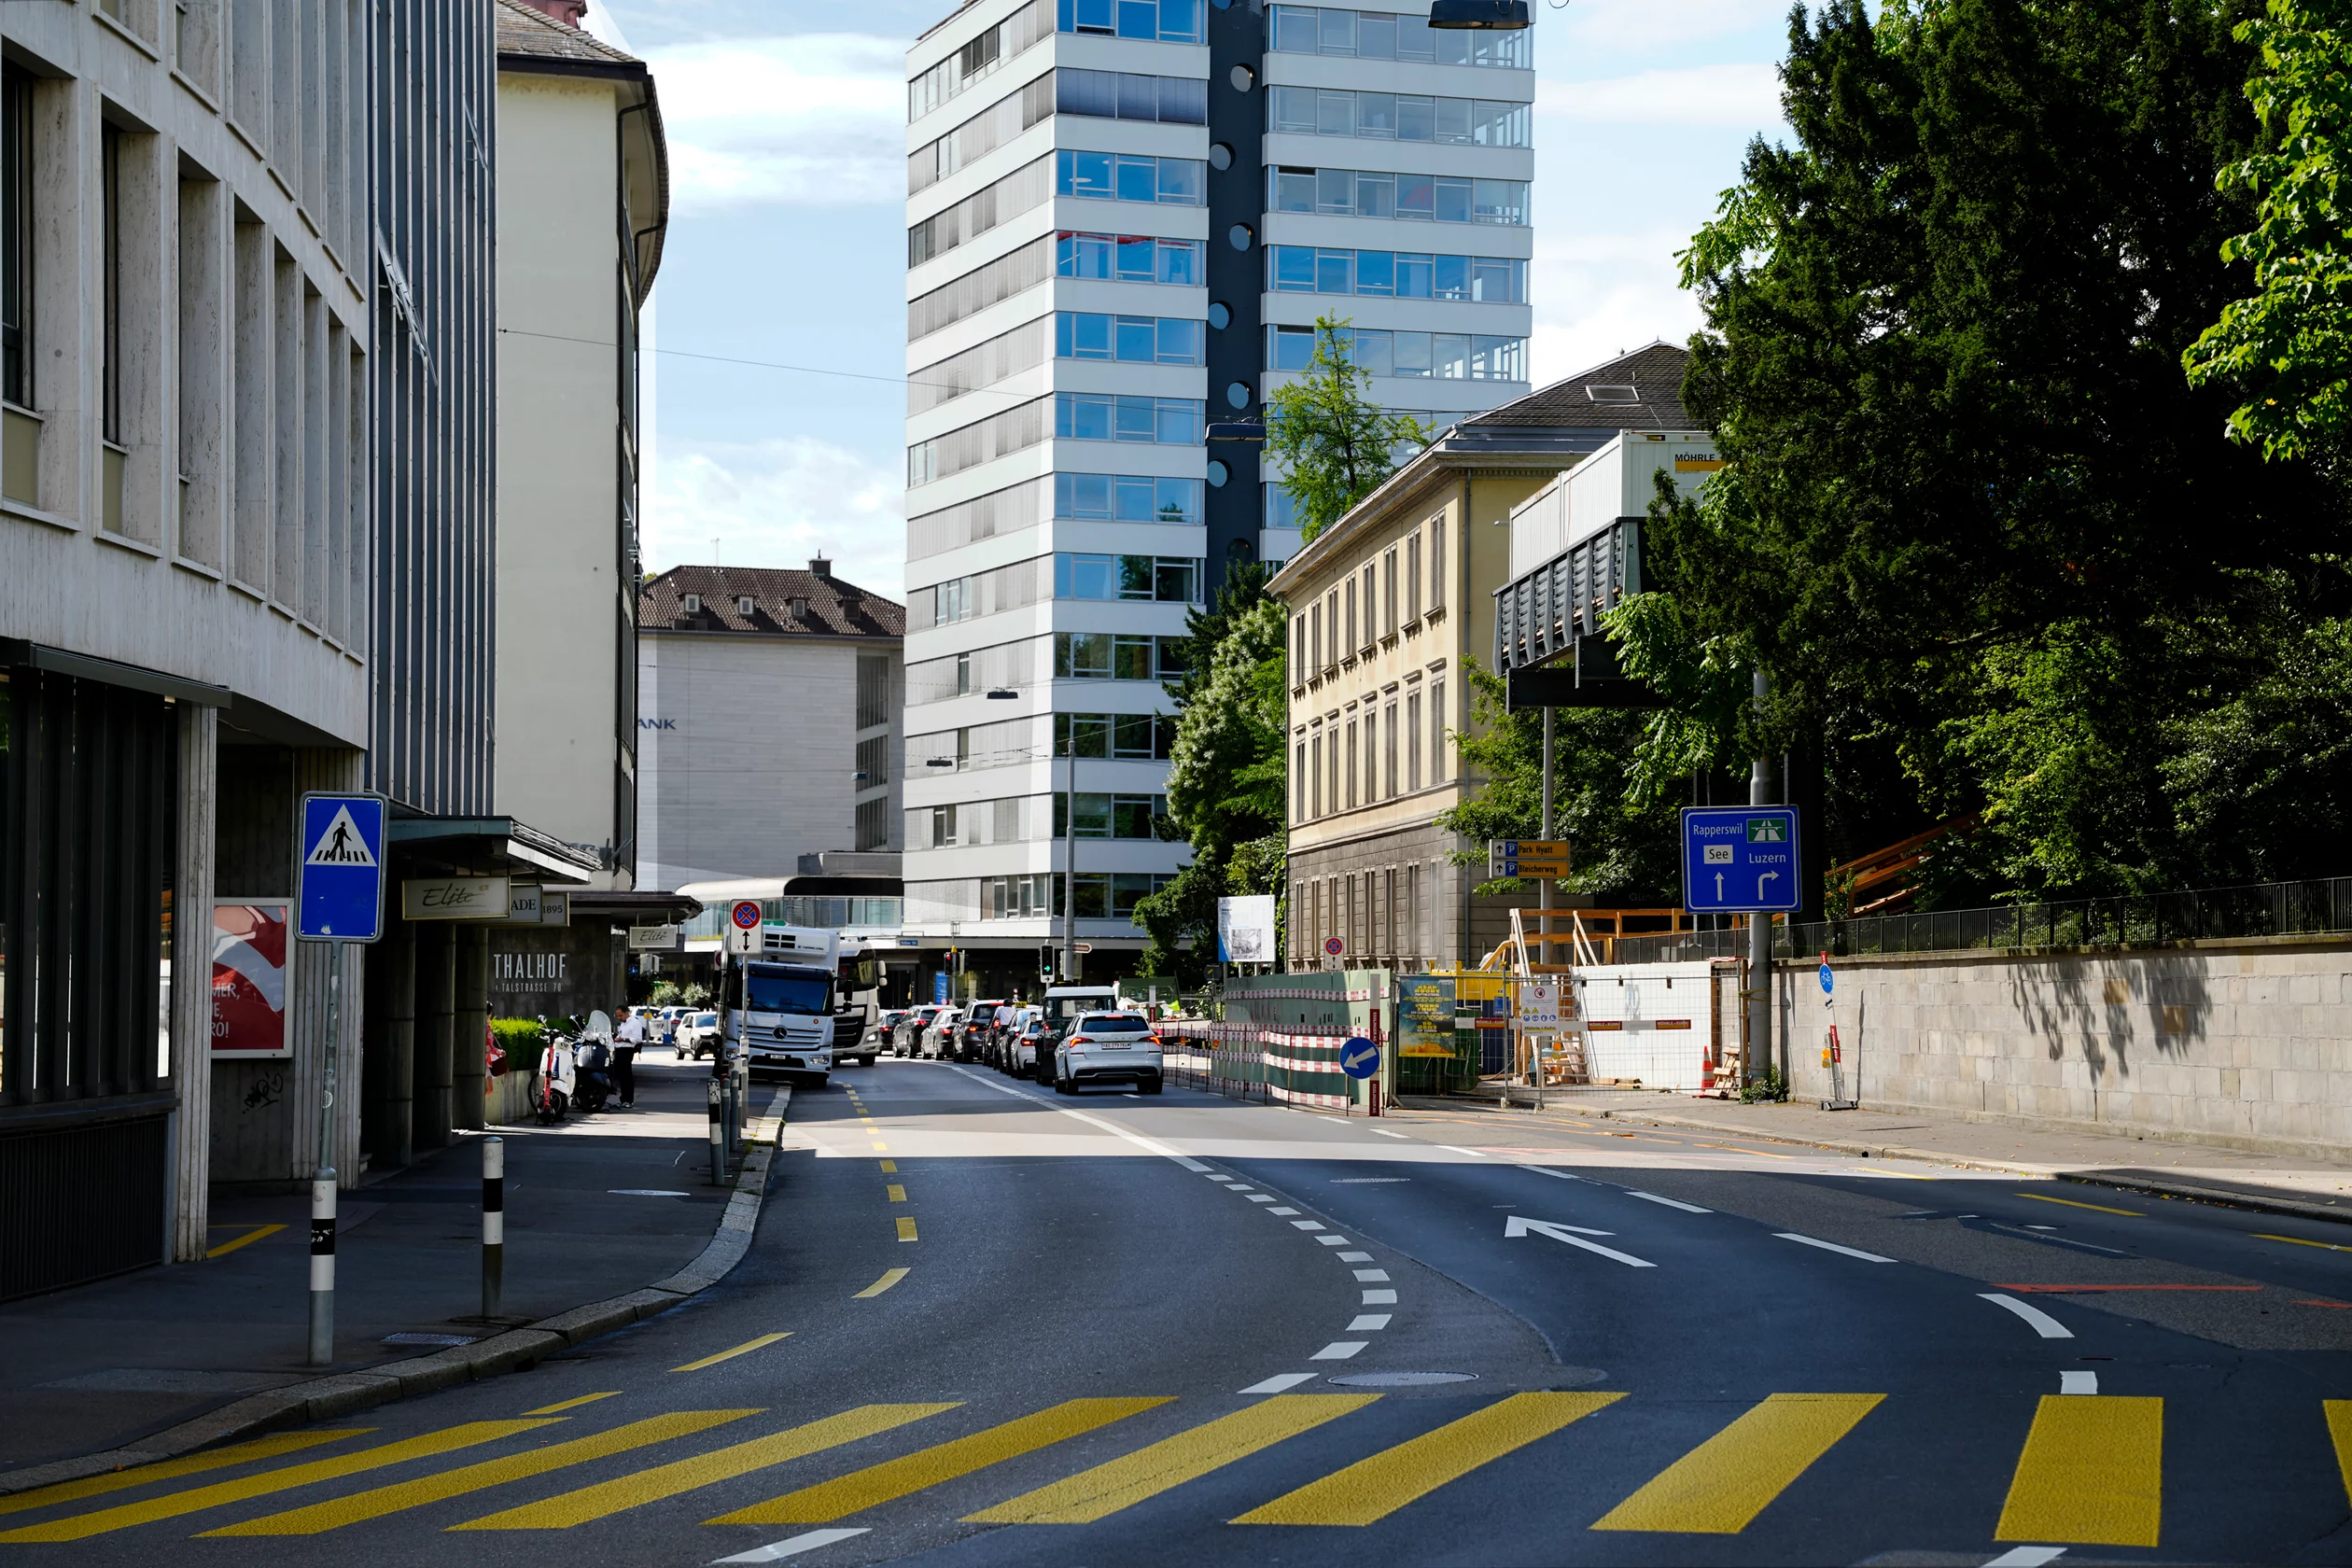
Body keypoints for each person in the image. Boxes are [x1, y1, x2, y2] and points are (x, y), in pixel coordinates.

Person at [612, 1005, 645, 1107]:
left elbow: (637, 1039)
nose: (619, 1018)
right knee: (620, 1076)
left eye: (621, 1015)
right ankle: (623, 1099)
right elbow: (621, 1035)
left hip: (627, 1050)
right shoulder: (623, 1024)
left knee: (627, 1076)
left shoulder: (634, 1023)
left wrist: (622, 1039)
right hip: (619, 1049)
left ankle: (628, 1100)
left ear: (627, 1013)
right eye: (617, 1016)